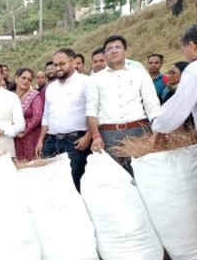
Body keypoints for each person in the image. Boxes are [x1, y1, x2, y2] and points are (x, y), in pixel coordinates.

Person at [87, 35, 160, 174]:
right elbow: (91, 109)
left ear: (125, 50)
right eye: (109, 49)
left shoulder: (139, 73)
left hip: (138, 131)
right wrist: (96, 136)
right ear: (105, 54)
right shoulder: (95, 79)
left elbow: (151, 104)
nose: (113, 51)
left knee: (144, 173)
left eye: (117, 47)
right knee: (115, 176)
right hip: (109, 134)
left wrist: (157, 127)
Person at [36, 48, 92, 192]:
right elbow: (46, 115)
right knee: (50, 182)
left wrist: (88, 136)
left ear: (73, 62)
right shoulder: (51, 88)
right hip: (52, 142)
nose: (58, 68)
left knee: (73, 185)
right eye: (55, 65)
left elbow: (93, 111)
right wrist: (41, 140)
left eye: (62, 64)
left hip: (75, 142)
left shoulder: (86, 82)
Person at [152, 25, 197, 146]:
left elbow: (178, 106)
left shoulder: (193, 70)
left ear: (192, 46)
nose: (185, 53)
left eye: (184, 49)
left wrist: (160, 129)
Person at [13, 68, 44, 161]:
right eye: (23, 78)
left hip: (30, 137)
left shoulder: (35, 95)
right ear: (16, 78)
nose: (26, 81)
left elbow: (37, 116)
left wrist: (24, 131)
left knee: (30, 166)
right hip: (12, 137)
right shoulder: (9, 96)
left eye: (29, 79)